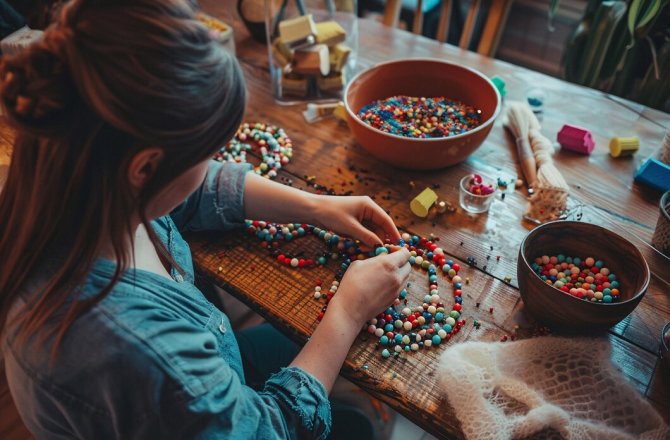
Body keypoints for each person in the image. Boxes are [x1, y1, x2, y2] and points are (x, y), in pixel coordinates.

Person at [0, 0, 411, 438]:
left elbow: (192, 187)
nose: (213, 161)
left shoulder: (80, 175)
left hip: (207, 373)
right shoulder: (139, 350)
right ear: (144, 167)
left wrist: (315, 206)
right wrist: (347, 312)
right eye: (206, 151)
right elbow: (262, 432)